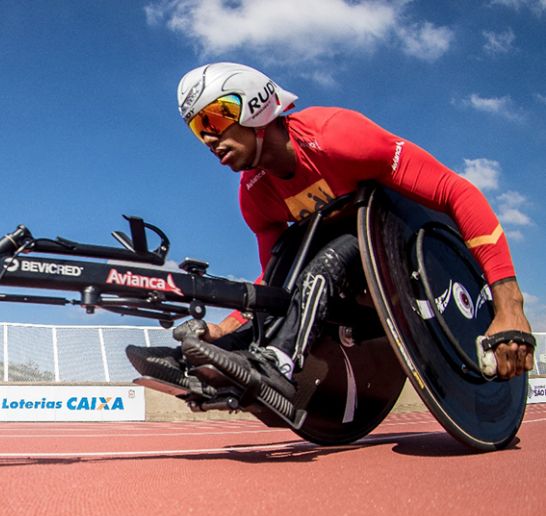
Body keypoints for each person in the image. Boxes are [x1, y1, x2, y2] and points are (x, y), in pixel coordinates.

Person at [127, 62, 534, 404]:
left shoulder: (337, 136)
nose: (209, 139)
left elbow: (454, 190)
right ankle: (207, 363)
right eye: (199, 130)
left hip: (408, 248)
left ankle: (276, 363)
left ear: (253, 104)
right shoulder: (255, 195)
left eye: (212, 120)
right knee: (295, 254)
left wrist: (509, 303)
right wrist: (224, 330)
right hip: (351, 289)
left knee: (336, 249)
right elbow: (275, 281)